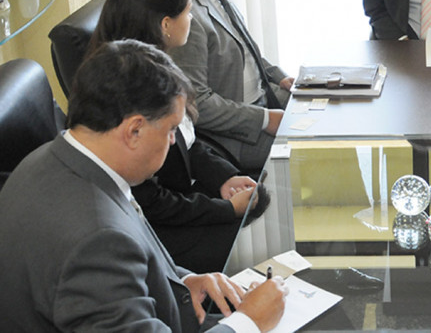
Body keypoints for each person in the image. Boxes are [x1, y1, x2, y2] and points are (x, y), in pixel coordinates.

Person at [0, 40, 286, 332]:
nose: (174, 141)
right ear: (134, 130)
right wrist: (249, 323)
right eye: (171, 129)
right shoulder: (97, 241)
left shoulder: (50, 158)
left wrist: (184, 281)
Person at [90, 0, 260, 273]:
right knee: (255, 246)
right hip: (157, 230)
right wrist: (222, 210)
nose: (193, 18)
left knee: (260, 207)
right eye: (188, 12)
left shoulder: (156, 66)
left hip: (181, 200)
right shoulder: (131, 90)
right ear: (165, 24)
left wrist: (224, 177)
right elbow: (149, 201)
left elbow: (189, 142)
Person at [169, 0, 293, 172]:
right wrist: (264, 119)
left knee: (335, 113)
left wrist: (278, 76)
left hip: (265, 98)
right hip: (234, 134)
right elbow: (196, 103)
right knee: (326, 149)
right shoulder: (186, 14)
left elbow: (246, 50)